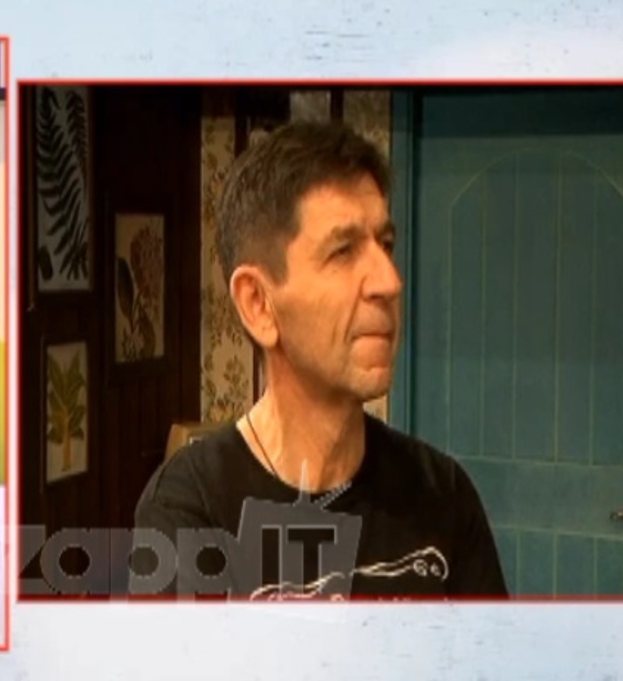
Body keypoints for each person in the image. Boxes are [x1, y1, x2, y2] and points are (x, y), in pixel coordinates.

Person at [129, 121, 508, 600]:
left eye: (386, 245)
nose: (389, 281)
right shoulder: (188, 509)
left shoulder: (443, 496)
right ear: (258, 304)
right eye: (343, 251)